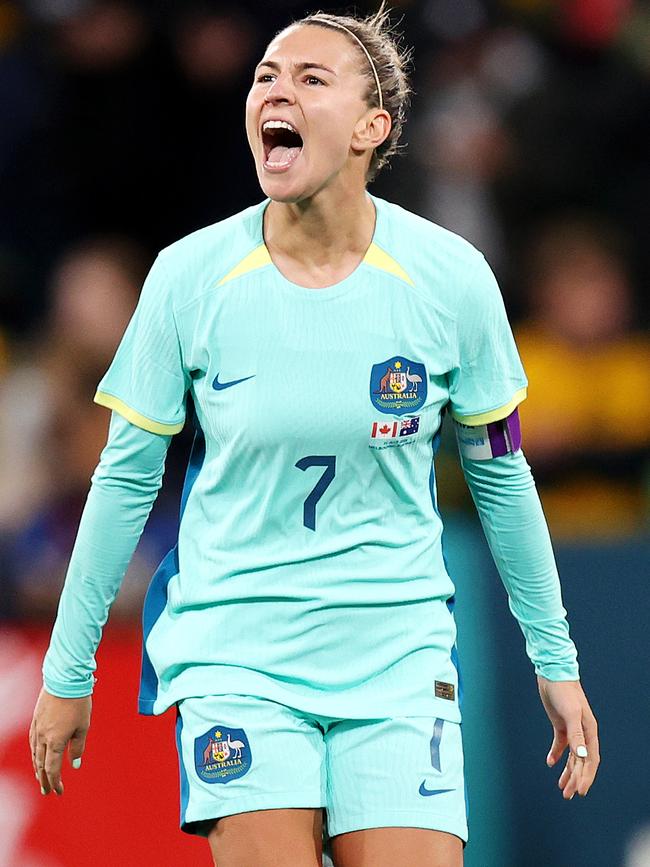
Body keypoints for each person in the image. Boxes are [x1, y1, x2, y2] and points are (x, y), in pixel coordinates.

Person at [29, 7, 600, 867]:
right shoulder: (192, 277)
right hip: (239, 658)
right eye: (265, 75)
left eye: (309, 78)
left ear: (374, 128)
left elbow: (502, 478)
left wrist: (553, 658)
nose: (275, 91)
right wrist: (69, 672)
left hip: (397, 659)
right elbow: (123, 480)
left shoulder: (450, 280)